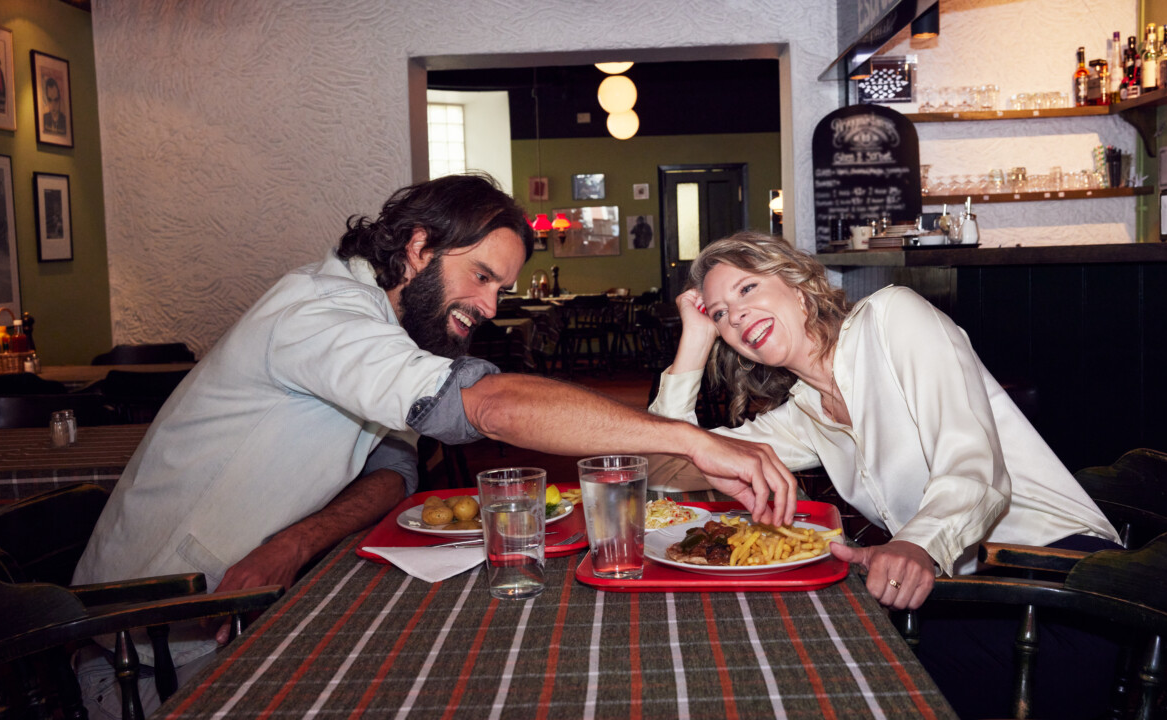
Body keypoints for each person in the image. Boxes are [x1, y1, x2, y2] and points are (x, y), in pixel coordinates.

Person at [71, 175, 798, 717]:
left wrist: (294, 542)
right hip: (142, 648)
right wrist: (689, 441)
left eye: (500, 291)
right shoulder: (320, 311)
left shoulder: (386, 331)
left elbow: (391, 466)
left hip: (241, 608)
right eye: (482, 277)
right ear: (418, 248)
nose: (488, 307)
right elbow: (485, 406)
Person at [648, 231, 1122, 719]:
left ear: (797, 282)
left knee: (834, 675)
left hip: (1061, 589)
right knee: (792, 656)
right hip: (966, 592)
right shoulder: (804, 416)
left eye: (746, 290)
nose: (736, 315)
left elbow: (972, 465)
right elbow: (669, 462)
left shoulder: (893, 317)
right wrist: (695, 341)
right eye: (721, 313)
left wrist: (914, 544)